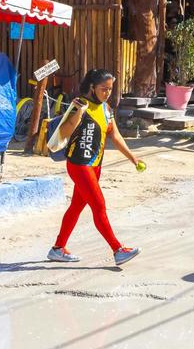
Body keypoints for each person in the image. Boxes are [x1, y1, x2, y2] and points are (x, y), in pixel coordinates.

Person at [48, 69, 145, 266]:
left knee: (76, 207)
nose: (107, 93)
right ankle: (118, 250)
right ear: (92, 87)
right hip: (79, 164)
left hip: (95, 166)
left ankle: (58, 249)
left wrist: (133, 158)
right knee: (99, 206)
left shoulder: (106, 109)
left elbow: (115, 136)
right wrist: (78, 114)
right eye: (103, 89)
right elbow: (63, 133)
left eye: (110, 89)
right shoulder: (79, 105)